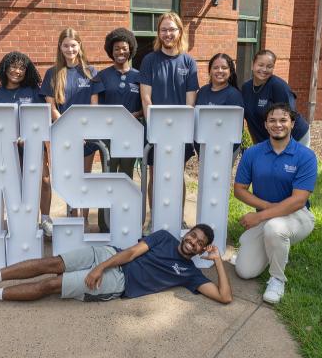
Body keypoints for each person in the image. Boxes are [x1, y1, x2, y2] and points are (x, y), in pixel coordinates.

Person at [0, 224, 232, 309]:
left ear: (202, 249)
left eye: (199, 243)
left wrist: (218, 261)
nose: (192, 243)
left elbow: (224, 297)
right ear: (187, 234)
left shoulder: (190, 274)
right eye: (192, 236)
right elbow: (132, 252)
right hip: (111, 255)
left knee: (51, 285)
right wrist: (100, 266)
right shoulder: (164, 237)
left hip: (120, 284)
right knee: (52, 263)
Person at [233, 103, 317, 304]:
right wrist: (271, 209)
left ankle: (277, 279)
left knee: (275, 228)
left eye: (283, 120)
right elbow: (239, 190)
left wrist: (259, 216)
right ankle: (261, 244)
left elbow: (298, 201)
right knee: (245, 271)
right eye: (272, 120)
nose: (277, 124)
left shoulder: (305, 156)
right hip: (269, 215)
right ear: (265, 125)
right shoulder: (253, 153)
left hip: (298, 216)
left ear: (292, 124)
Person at [139, 12, 199, 228]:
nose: (167, 33)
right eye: (163, 29)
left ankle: (179, 217)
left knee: (177, 175)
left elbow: (190, 100)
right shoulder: (150, 60)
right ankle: (154, 216)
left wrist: (182, 128)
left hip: (180, 132)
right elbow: (146, 97)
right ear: (158, 33)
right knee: (154, 174)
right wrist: (154, 128)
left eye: (172, 29)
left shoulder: (189, 61)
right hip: (156, 131)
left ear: (179, 31)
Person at [40, 28, 103, 227]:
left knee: (84, 179)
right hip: (64, 135)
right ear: (60, 47)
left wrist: (83, 132)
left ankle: (82, 220)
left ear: (80, 46)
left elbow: (94, 106)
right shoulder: (53, 73)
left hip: (87, 137)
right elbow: (50, 107)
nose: (70, 49)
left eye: (73, 45)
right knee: (70, 180)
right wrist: (69, 130)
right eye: (66, 45)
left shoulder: (90, 72)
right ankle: (73, 221)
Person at [0, 51, 53, 236]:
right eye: (13, 66)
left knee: (44, 180)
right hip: (6, 148)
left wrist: (29, 135)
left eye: (21, 68)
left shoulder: (33, 92)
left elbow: (43, 118)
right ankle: (21, 221)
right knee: (13, 184)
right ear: (5, 68)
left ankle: (45, 219)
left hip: (32, 144)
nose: (17, 71)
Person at [95, 28, 143, 231]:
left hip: (130, 134)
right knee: (108, 176)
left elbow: (145, 105)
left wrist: (133, 116)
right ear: (110, 51)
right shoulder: (102, 76)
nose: (120, 52)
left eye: (124, 48)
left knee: (126, 178)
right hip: (108, 136)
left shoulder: (140, 77)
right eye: (116, 48)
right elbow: (95, 105)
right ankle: (104, 224)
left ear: (130, 49)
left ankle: (125, 222)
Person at [241, 50, 310, 147]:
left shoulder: (279, 87)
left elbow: (289, 117)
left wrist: (282, 147)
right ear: (252, 65)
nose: (264, 69)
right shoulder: (246, 88)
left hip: (294, 138)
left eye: (269, 66)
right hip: (264, 141)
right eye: (260, 65)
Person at [194, 53, 244, 162]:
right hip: (203, 148)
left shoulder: (234, 95)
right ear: (210, 71)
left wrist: (225, 154)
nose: (219, 71)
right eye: (215, 67)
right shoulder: (202, 91)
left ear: (230, 72)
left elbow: (237, 130)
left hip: (223, 151)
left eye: (224, 68)